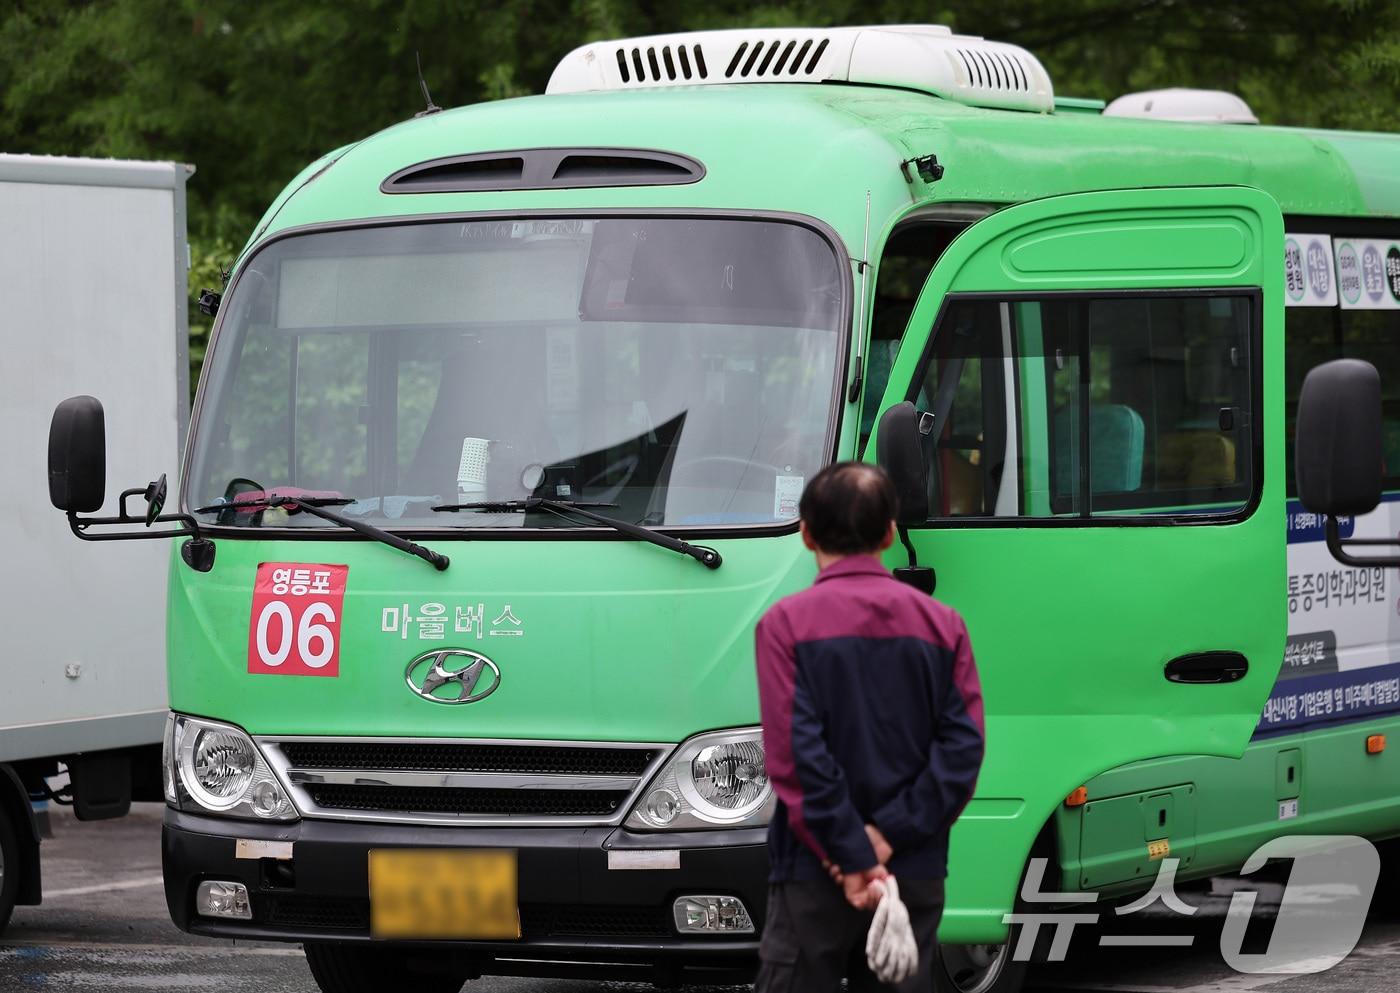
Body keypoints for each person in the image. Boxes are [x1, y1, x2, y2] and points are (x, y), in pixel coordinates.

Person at [753, 461, 986, 992]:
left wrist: (852, 852)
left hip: (813, 869)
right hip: (914, 869)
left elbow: (796, 757)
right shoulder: (943, 625)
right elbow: (962, 752)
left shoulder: (784, 625)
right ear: (888, 533)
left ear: (806, 533)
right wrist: (887, 839)